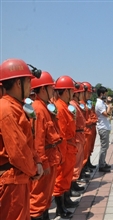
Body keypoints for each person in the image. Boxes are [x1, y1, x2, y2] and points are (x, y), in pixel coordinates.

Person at [0, 58, 44, 220]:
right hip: (12, 181)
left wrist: (37, 161)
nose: (31, 86)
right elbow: (18, 151)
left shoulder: (16, 107)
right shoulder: (7, 110)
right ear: (19, 83)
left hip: (20, 177)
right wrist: (34, 170)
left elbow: (27, 142)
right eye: (28, 81)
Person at [29, 71, 62, 220]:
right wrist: (43, 162)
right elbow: (38, 141)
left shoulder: (44, 107)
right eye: (50, 88)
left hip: (51, 156)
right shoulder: (39, 109)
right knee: (38, 198)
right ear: (43, 89)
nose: (53, 91)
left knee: (46, 196)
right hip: (46, 158)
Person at [53, 75, 78, 218]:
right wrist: (61, 155)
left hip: (69, 147)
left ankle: (64, 203)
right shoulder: (60, 108)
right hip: (65, 148)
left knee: (66, 177)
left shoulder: (64, 106)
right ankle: (60, 208)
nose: (73, 94)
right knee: (61, 178)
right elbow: (62, 134)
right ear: (66, 91)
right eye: (71, 91)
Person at [70, 82, 86, 193]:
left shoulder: (75, 104)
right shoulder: (72, 105)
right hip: (76, 136)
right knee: (75, 163)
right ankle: (71, 185)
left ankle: (74, 182)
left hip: (79, 135)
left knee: (78, 161)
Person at [96, 86, 113, 172]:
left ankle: (103, 162)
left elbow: (110, 111)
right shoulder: (99, 104)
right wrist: (109, 104)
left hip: (105, 127)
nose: (106, 96)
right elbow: (106, 114)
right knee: (104, 147)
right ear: (101, 94)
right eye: (105, 94)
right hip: (102, 127)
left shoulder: (102, 103)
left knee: (105, 147)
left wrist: (112, 105)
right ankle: (101, 165)